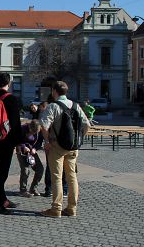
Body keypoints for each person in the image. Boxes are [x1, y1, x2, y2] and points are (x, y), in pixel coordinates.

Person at [39, 81, 90, 217]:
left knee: (56, 177)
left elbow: (44, 125)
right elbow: (87, 125)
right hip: (73, 147)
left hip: (57, 146)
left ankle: (56, 209)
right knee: (72, 177)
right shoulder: (76, 106)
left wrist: (46, 141)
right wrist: (79, 139)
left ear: (54, 91)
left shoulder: (52, 107)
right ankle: (72, 208)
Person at [0, 73, 22, 215]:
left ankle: (3, 199)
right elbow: (15, 124)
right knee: (3, 173)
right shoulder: (12, 99)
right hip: (7, 140)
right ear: (9, 82)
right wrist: (19, 143)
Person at [16, 120, 45, 197]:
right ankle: (23, 190)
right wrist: (23, 146)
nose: (34, 133)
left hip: (32, 152)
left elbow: (39, 141)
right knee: (25, 169)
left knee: (40, 169)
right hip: (22, 151)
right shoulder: (23, 128)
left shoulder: (39, 131)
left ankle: (33, 188)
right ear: (29, 127)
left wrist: (35, 148)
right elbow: (17, 139)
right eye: (33, 132)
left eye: (36, 132)